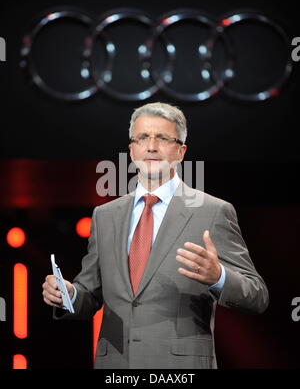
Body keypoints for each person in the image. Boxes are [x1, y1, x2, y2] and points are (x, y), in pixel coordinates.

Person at [42, 102, 269, 369]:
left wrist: (218, 277)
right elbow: (90, 295)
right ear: (132, 150)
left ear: (181, 151)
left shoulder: (213, 211)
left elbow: (257, 295)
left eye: (162, 138)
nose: (151, 146)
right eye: (142, 138)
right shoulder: (105, 215)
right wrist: (67, 295)